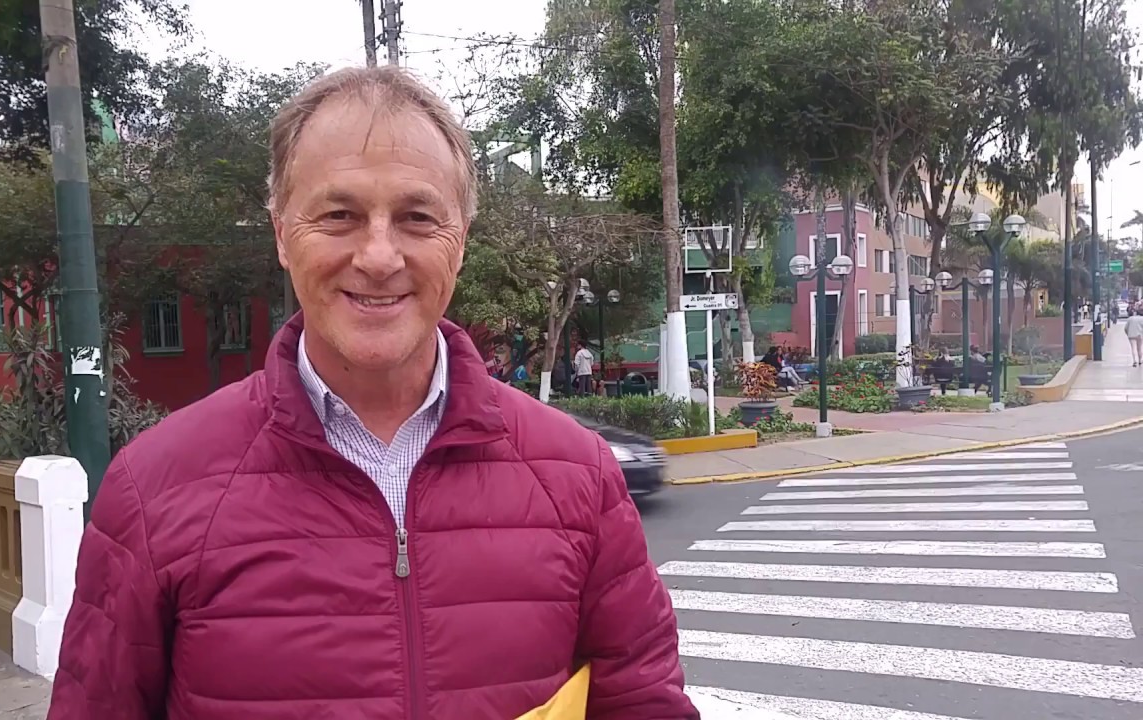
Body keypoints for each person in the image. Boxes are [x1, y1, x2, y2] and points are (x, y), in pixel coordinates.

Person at [46, 66, 696, 720]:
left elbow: (643, 703)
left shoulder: (577, 477)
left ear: (460, 241)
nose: (380, 256)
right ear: (280, 233)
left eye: (417, 217)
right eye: (339, 215)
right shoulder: (154, 492)